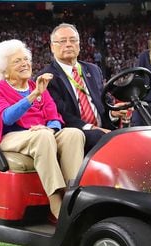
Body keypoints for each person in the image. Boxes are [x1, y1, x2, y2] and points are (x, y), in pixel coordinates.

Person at [0, 39, 85, 220]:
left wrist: (52, 129)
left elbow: (53, 116)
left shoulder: (36, 86)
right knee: (43, 136)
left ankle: (73, 192)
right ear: (4, 71)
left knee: (74, 134)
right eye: (17, 61)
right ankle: (55, 200)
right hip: (9, 136)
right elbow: (6, 117)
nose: (25, 64)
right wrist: (34, 95)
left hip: (42, 134)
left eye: (26, 59)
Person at [36, 23, 127, 153]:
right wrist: (91, 128)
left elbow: (105, 102)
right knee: (103, 138)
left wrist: (113, 113)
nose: (68, 44)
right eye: (62, 41)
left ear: (79, 45)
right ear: (52, 47)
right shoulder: (47, 77)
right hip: (75, 132)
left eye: (73, 40)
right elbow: (60, 113)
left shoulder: (93, 69)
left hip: (103, 130)